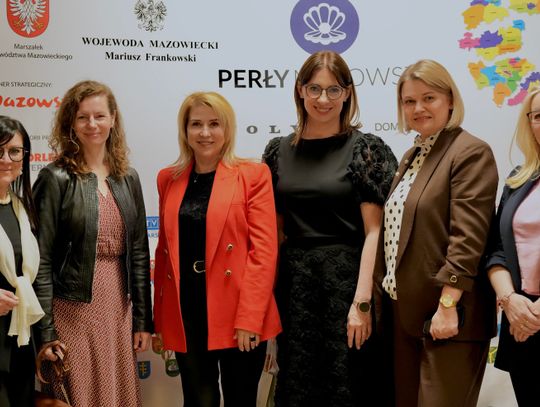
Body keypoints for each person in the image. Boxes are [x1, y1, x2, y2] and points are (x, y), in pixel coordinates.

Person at [262, 50, 397, 406]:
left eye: (333, 89)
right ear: (300, 90)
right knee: (299, 387)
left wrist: (362, 302)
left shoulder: (365, 149)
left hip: (347, 285)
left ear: (347, 93)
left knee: (349, 387)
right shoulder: (277, 152)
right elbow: (274, 232)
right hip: (295, 288)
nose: (323, 99)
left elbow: (375, 232)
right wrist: (267, 299)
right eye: (315, 89)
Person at [372, 59, 498, 407]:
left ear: (450, 100)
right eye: (409, 101)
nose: (418, 108)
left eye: (429, 98)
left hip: (449, 319)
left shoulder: (470, 152)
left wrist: (447, 304)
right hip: (406, 318)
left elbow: (467, 239)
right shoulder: (413, 155)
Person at [153, 91, 281, 407]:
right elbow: (164, 252)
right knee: (198, 400)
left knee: (241, 400)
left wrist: (250, 318)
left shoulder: (252, 175)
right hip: (187, 310)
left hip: (238, 309)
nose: (205, 133)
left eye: (214, 124)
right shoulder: (168, 178)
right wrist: (162, 320)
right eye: (196, 124)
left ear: (228, 128)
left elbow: (263, 252)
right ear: (185, 130)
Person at [32, 80, 153, 406]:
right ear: (70, 122)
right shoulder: (55, 178)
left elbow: (139, 253)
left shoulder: (128, 177)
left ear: (113, 119)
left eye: (99, 116)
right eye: (83, 117)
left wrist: (143, 320)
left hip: (118, 310)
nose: (92, 124)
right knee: (78, 394)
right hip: (70, 310)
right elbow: (40, 259)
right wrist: (46, 332)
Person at [485, 87, 540, 407]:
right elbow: (497, 251)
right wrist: (510, 301)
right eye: (538, 116)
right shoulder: (518, 180)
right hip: (521, 319)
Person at [0, 116, 43, 407]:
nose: (6, 160)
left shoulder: (23, 209)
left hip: (19, 343)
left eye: (14, 151)